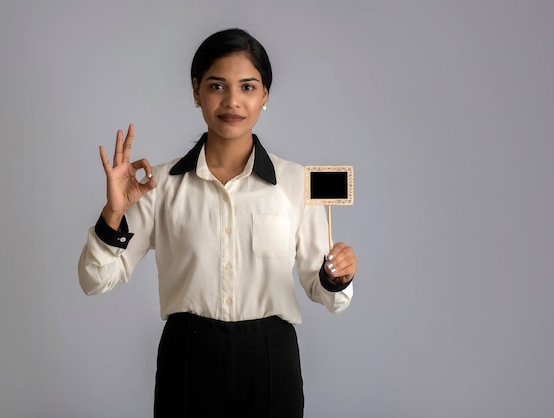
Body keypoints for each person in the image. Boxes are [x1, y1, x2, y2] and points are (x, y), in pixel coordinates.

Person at [78, 28, 356, 418]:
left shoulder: (297, 182)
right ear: (196, 91)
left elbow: (324, 291)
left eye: (247, 87)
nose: (232, 101)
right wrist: (114, 212)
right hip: (189, 354)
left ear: (265, 96)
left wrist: (336, 275)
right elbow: (95, 279)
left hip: (270, 358)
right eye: (216, 86)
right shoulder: (158, 186)